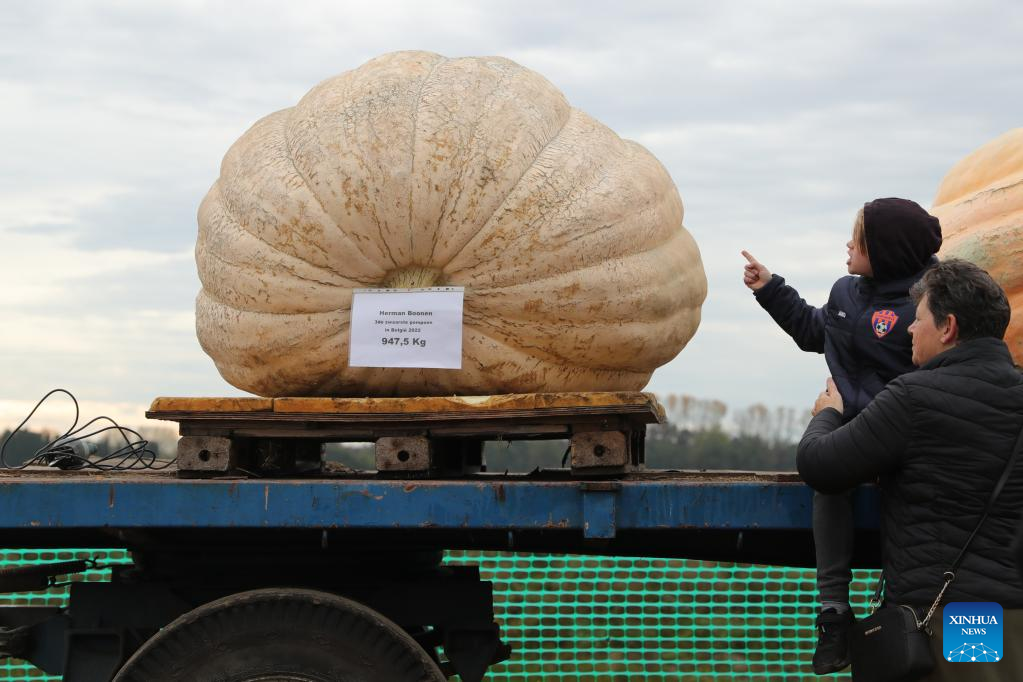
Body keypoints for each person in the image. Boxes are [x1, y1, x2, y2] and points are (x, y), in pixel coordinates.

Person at [798, 259, 1023, 681]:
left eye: (918, 319)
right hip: (1014, 623)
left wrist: (828, 414)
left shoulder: (913, 398)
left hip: (945, 621)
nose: (908, 330)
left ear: (948, 328)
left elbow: (821, 465)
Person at [743, 197, 942, 674]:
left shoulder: (930, 304)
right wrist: (772, 290)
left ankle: (903, 628)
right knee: (830, 480)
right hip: (861, 436)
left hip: (901, 446)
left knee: (969, 653)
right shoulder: (848, 294)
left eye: (860, 237)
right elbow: (818, 332)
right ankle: (835, 611)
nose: (848, 244)